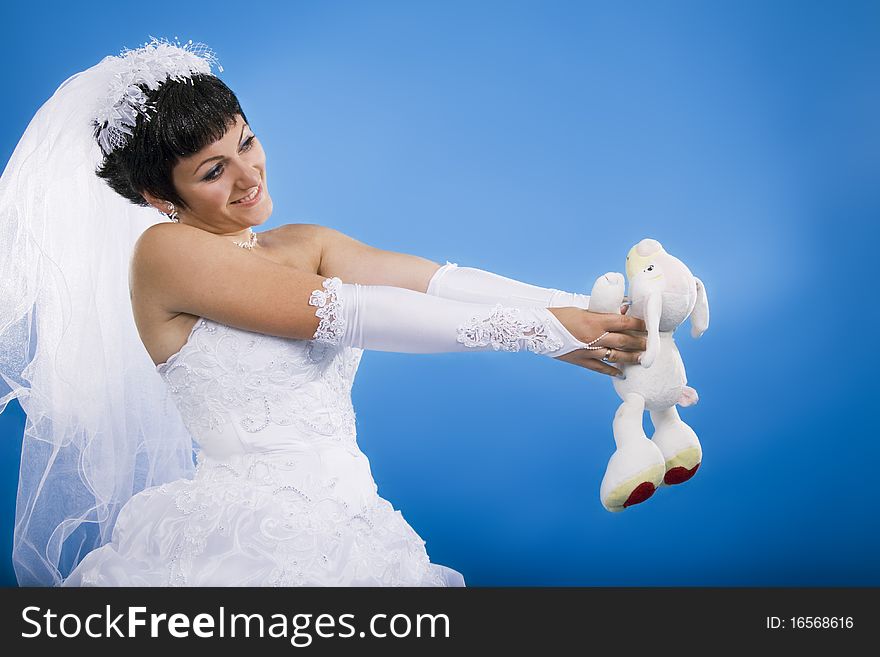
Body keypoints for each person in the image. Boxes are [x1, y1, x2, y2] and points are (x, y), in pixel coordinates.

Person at [0, 38, 646, 586]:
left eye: (247, 142)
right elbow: (353, 315)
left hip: (356, 522)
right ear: (157, 194)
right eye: (213, 171)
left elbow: (438, 283)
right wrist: (545, 333)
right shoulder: (167, 252)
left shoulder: (303, 241)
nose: (248, 175)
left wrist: (587, 311)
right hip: (243, 537)